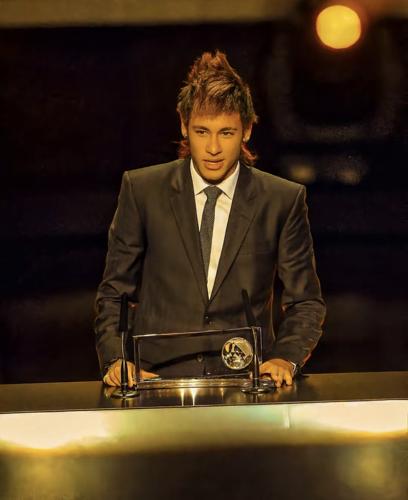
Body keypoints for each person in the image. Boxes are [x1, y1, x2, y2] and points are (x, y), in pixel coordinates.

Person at [95, 50, 325, 388]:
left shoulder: (281, 200)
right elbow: (115, 291)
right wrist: (116, 359)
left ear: (247, 130)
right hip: (154, 382)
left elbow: (305, 301)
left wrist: (284, 358)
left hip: (246, 384)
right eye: (202, 131)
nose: (213, 148)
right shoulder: (143, 190)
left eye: (226, 133)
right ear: (183, 126)